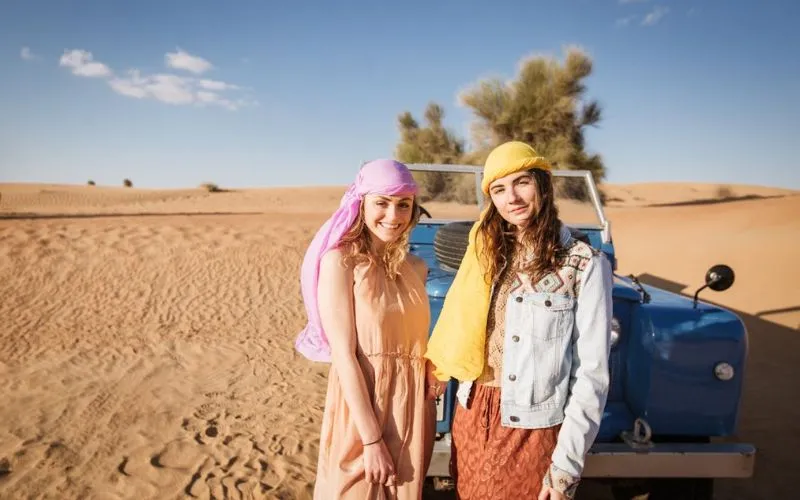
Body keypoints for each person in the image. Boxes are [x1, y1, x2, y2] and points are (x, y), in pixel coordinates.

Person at [424, 141, 613, 499]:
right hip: (472, 411)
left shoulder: (583, 263)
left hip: (531, 428)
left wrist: (565, 467)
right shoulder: (485, 252)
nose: (511, 197)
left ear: (542, 184)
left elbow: (591, 373)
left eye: (521, 182)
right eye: (498, 189)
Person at [295, 159, 438, 499]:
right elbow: (344, 355)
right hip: (362, 410)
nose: (393, 215)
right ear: (361, 205)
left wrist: (435, 366)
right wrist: (371, 440)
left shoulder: (417, 267)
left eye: (403, 204)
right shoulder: (340, 262)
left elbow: (417, 339)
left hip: (413, 408)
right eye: (382, 203)